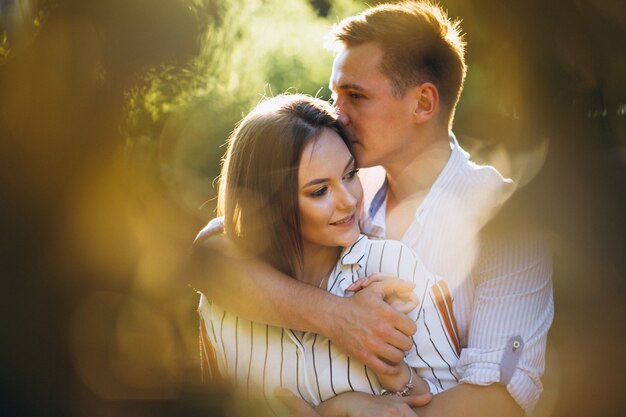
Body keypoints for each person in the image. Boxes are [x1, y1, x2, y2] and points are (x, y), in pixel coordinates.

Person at [194, 1, 553, 416]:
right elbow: (209, 255)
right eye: (334, 94)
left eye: (356, 97)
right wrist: (336, 317)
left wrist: (347, 412)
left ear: (423, 104)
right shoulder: (347, 187)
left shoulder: (506, 221)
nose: (336, 115)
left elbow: (499, 399)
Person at [195, 94, 460, 416]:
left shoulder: (392, 267)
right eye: (319, 191)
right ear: (270, 204)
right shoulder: (221, 302)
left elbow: (451, 400)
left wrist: (395, 377)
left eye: (350, 174)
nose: (348, 200)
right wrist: (337, 410)